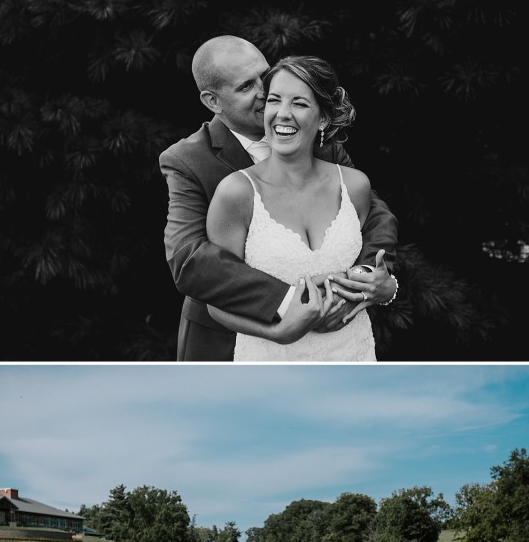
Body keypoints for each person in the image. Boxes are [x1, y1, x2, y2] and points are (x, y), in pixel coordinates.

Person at [159, 35, 398, 360]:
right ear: (212, 101)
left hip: (339, 337)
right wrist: (296, 302)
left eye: (265, 76)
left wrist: (364, 280)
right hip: (228, 341)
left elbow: (375, 215)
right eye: (246, 87)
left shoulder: (317, 137)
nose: (264, 92)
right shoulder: (187, 160)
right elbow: (191, 259)